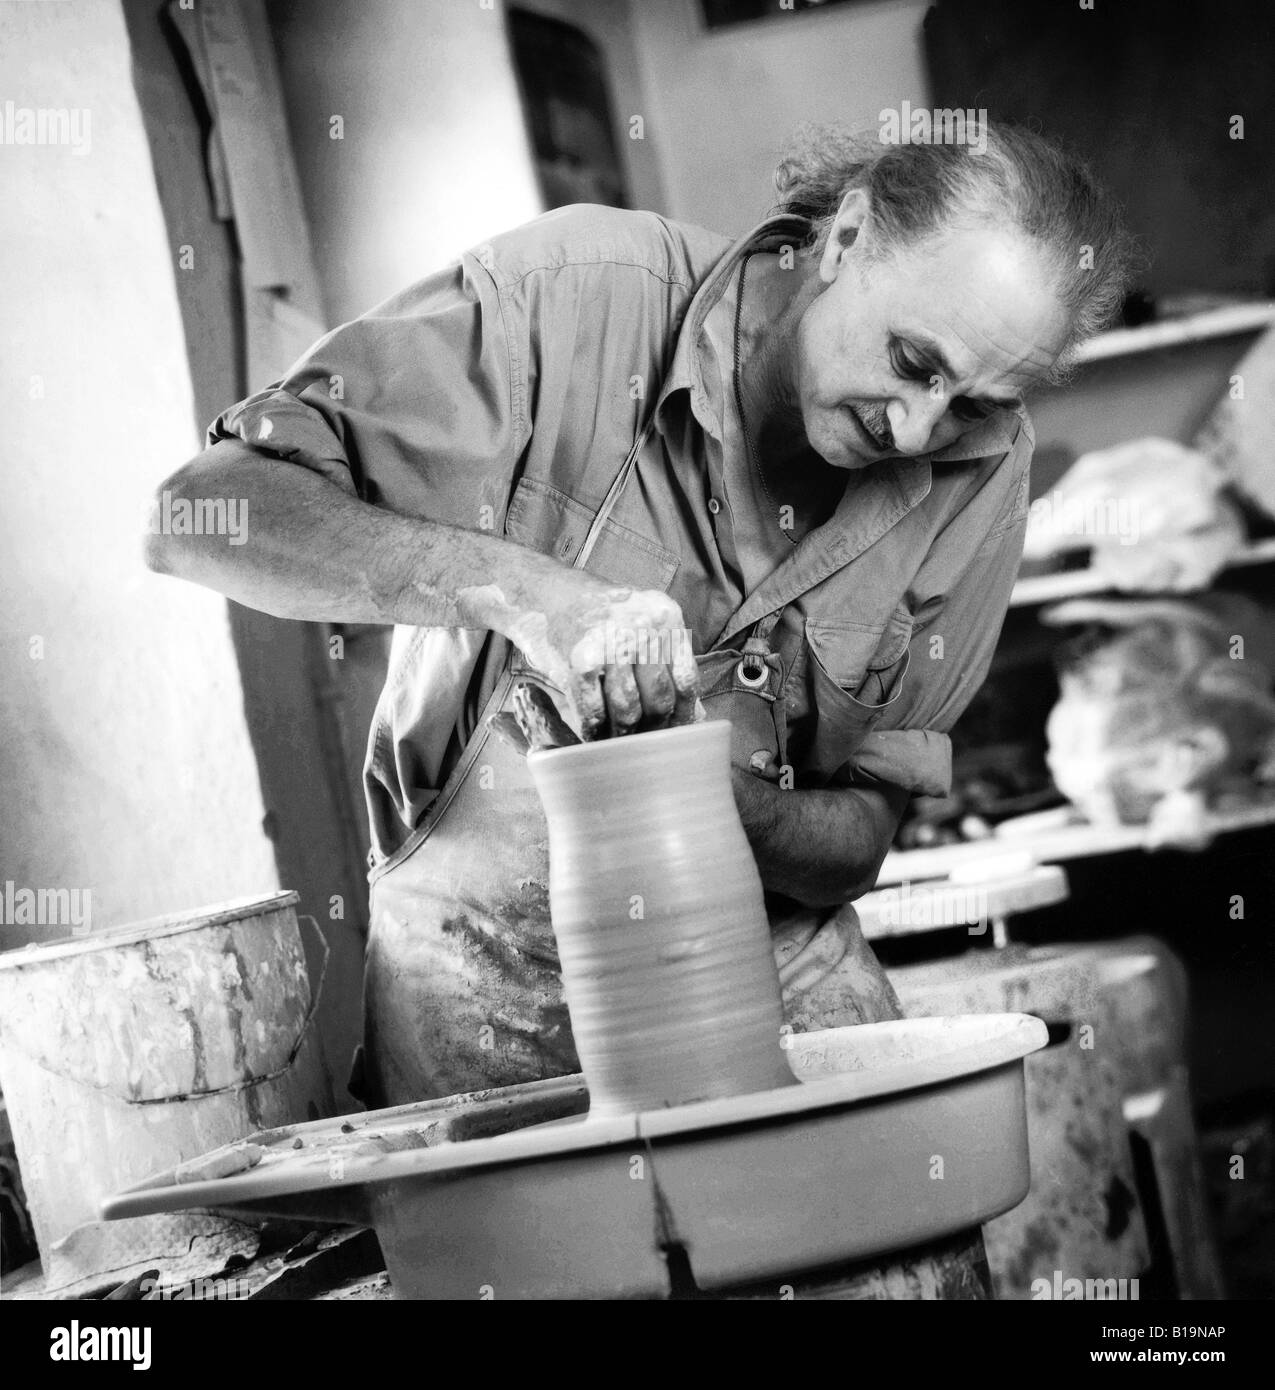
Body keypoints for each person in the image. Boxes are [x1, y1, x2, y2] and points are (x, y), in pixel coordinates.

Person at [146, 123, 1135, 1109]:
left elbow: (862, 838)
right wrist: (527, 592)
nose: (918, 429)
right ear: (847, 240)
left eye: (971, 405)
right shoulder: (574, 296)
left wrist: (738, 810)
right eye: (915, 361)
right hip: (472, 967)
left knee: (895, 1228)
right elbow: (196, 518)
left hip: (763, 964)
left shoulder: (984, 470)